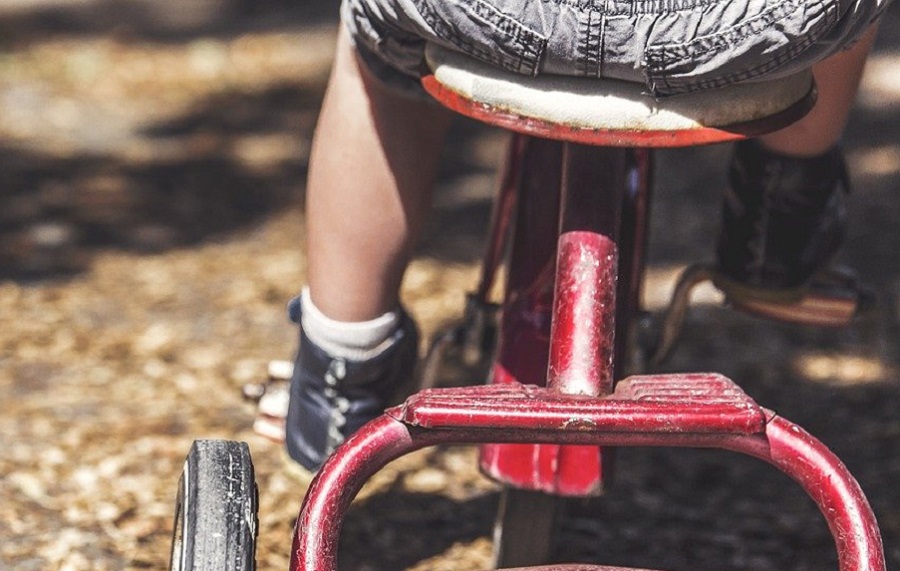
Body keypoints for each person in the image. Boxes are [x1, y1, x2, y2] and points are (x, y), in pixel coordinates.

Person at [285, 0, 891, 474]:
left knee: (376, 49)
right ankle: (778, 230)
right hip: (740, 25)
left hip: (485, 14)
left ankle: (343, 362)